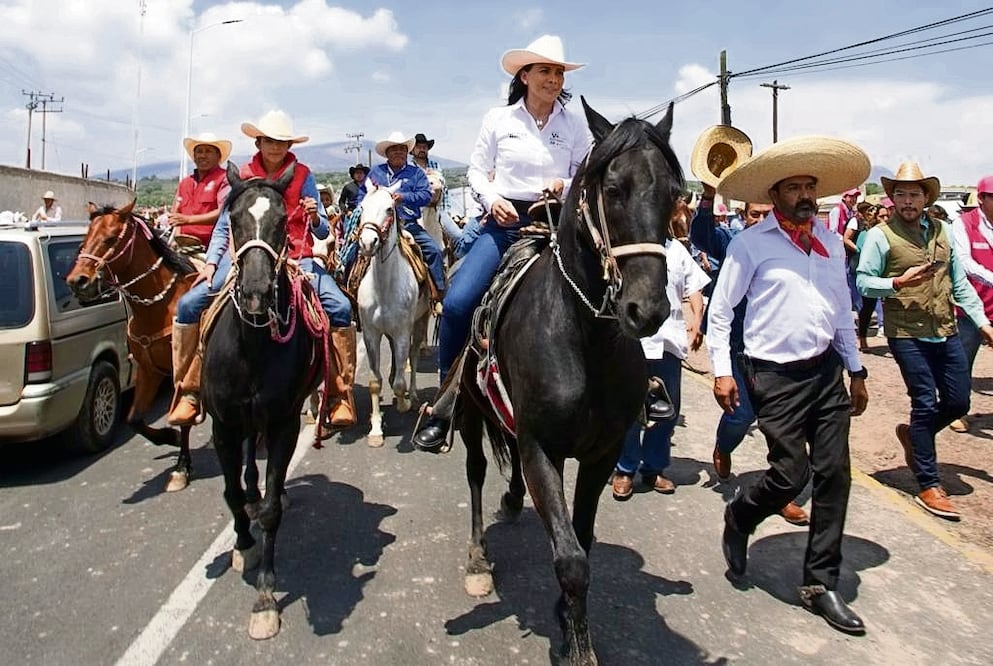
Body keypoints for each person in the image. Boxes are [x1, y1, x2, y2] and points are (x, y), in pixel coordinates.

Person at [709, 135, 871, 635]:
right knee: (789, 474)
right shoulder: (751, 243)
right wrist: (720, 370)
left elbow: (841, 311)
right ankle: (741, 516)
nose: (804, 195)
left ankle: (820, 583)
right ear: (775, 195)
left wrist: (856, 368)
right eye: (794, 187)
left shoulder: (827, 242)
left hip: (825, 372)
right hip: (772, 375)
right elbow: (721, 311)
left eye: (810, 187)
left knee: (834, 474)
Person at [413, 34, 591, 451]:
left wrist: (564, 184)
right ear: (525, 75)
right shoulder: (499, 120)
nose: (553, 78)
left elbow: (589, 168)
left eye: (558, 72)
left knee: (612, 291)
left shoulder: (575, 123)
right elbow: (476, 172)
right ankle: (447, 401)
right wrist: (493, 201)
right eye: (545, 70)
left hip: (558, 224)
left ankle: (637, 388)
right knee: (458, 304)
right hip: (506, 223)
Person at [168, 110, 358, 432]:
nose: (276, 147)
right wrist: (213, 263)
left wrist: (314, 218)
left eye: (282, 142)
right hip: (245, 254)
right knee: (189, 304)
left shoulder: (303, 175)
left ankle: (339, 393)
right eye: (270, 141)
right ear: (258, 142)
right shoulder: (242, 175)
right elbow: (223, 226)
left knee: (339, 306)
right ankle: (189, 390)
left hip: (296, 254)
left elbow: (324, 232)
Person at [857, 161, 993, 521]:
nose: (906, 200)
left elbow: (959, 283)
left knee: (959, 401)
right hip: (906, 333)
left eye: (913, 194)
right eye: (900, 193)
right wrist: (898, 283)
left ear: (925, 197)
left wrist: (981, 321)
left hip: (944, 328)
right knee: (925, 402)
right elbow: (863, 282)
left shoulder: (942, 232)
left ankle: (915, 435)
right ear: (892, 198)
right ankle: (929, 484)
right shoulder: (879, 236)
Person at [690, 186, 809, 525]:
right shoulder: (731, 241)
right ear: (743, 215)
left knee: (784, 425)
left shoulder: (790, 243)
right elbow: (700, 233)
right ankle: (723, 447)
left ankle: (782, 492)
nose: (759, 219)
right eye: (753, 214)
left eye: (764, 213)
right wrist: (709, 197)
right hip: (738, 348)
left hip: (779, 352)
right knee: (741, 417)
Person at [611, 238, 709, 499]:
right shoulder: (627, 244)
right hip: (631, 341)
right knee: (628, 409)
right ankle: (625, 468)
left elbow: (694, 287)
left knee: (668, 410)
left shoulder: (677, 250)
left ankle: (654, 468)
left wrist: (697, 320)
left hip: (668, 344)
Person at [356, 131, 445, 300]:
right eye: (394, 149)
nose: (398, 152)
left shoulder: (416, 173)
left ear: (407, 152)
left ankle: (439, 295)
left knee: (433, 251)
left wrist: (404, 198)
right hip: (378, 227)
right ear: (387, 153)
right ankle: (352, 295)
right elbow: (361, 197)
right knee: (353, 254)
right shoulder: (376, 173)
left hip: (408, 225)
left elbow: (426, 195)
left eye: (402, 149)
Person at [950, 175, 993, 433]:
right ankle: (958, 410)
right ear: (981, 199)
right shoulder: (963, 224)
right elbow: (964, 261)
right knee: (962, 362)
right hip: (972, 309)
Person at [168, 132, 232, 247]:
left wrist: (188, 220)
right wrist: (177, 234)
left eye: (208, 151)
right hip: (183, 243)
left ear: (218, 156)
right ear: (194, 156)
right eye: (199, 151)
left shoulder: (224, 179)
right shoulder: (185, 182)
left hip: (214, 244)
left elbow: (223, 212)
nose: (203, 155)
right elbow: (175, 211)